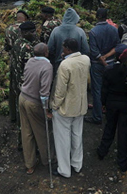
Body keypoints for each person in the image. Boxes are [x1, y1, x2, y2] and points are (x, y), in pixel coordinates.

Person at [51, 38, 90, 178]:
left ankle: (64, 170)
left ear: (67, 49)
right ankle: (77, 164)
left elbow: (60, 90)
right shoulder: (86, 59)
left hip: (66, 108)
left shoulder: (65, 65)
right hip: (80, 106)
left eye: (63, 48)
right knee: (77, 135)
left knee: (63, 139)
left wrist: (54, 106)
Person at [96, 46, 127, 171]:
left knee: (109, 127)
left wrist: (103, 103)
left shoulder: (109, 70)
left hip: (111, 103)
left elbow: (104, 89)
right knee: (123, 132)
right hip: (125, 104)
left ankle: (102, 151)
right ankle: (122, 161)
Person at [19, 43, 53, 175]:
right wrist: (46, 111)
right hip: (34, 102)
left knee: (26, 132)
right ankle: (47, 159)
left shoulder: (30, 61)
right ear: (46, 53)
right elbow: (44, 93)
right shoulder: (47, 66)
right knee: (41, 132)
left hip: (22, 98)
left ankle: (29, 164)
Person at [85, 8, 120, 125]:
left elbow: (94, 52)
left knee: (97, 90)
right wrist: (107, 59)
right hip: (111, 63)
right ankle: (109, 114)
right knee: (110, 90)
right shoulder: (114, 30)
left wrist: (103, 61)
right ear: (106, 16)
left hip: (98, 65)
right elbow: (117, 46)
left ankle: (97, 116)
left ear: (96, 17)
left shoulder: (94, 31)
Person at [12, 21, 37, 148]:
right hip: (26, 87)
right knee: (28, 117)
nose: (35, 34)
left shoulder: (16, 43)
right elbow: (30, 70)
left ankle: (21, 141)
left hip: (17, 83)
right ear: (26, 33)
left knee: (20, 113)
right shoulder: (28, 49)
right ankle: (27, 144)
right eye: (33, 32)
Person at [4, 9, 29, 122]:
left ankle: (13, 115)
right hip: (24, 63)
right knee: (22, 90)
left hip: (13, 61)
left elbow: (6, 47)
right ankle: (21, 119)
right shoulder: (27, 29)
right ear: (25, 18)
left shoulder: (9, 29)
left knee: (12, 88)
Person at [48, 8, 89, 74]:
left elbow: (50, 49)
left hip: (59, 64)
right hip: (76, 64)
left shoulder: (56, 31)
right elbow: (86, 50)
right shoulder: (80, 32)